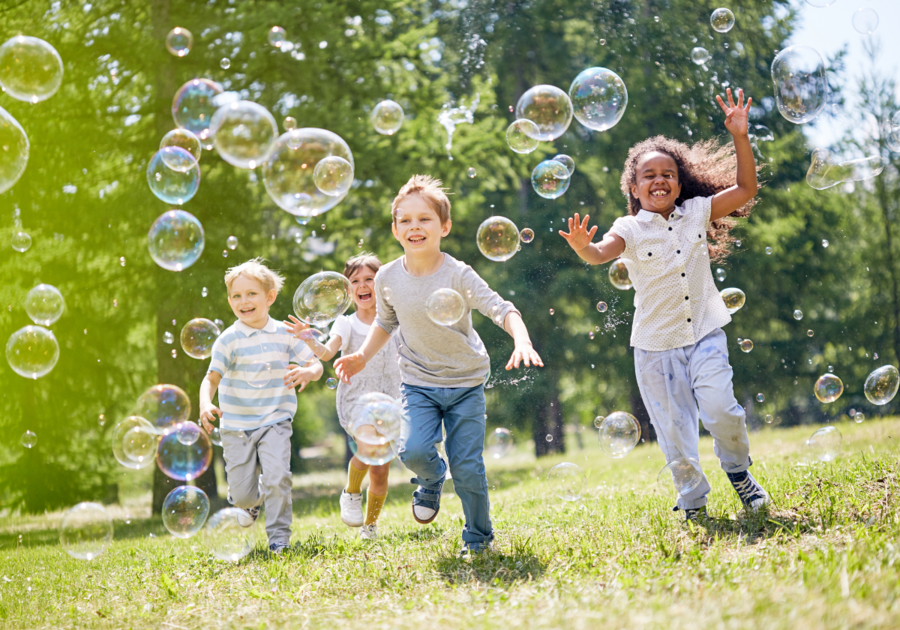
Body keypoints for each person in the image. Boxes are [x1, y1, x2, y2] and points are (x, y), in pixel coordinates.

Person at [560, 89, 768, 522]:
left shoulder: (697, 211)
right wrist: (583, 247)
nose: (659, 180)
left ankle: (739, 473)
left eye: (668, 173)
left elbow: (747, 188)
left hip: (706, 332)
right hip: (656, 348)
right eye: (649, 175)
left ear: (680, 180)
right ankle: (692, 502)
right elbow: (601, 253)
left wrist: (740, 137)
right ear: (633, 187)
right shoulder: (629, 228)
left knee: (722, 411)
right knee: (674, 435)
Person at [334, 175, 544, 555]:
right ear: (395, 229)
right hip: (417, 382)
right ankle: (430, 479)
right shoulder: (387, 277)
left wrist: (522, 339)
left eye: (425, 219)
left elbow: (501, 308)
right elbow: (385, 322)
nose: (415, 226)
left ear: (443, 226)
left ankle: (478, 539)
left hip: (465, 382)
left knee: (467, 469)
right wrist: (361, 356)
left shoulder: (458, 274)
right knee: (412, 450)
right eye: (406, 220)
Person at [199, 258, 323, 553]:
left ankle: (279, 539)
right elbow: (211, 377)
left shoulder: (285, 333)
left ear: (269, 297)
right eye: (236, 296)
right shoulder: (228, 340)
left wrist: (309, 372)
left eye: (251, 294)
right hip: (236, 426)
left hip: (275, 420)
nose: (244, 301)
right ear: (229, 301)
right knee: (242, 495)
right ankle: (250, 505)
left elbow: (315, 364)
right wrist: (205, 403)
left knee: (278, 477)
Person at [285, 252, 402, 541]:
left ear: (382, 284)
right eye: (355, 281)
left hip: (393, 398)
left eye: (369, 280)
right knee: (367, 449)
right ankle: (351, 492)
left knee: (381, 471)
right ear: (348, 290)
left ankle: (370, 525)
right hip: (358, 397)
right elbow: (326, 353)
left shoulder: (398, 319)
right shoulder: (345, 324)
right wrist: (309, 339)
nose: (363, 286)